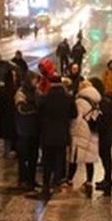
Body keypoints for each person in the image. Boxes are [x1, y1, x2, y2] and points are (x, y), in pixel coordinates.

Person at [37, 59, 77, 197]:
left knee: (47, 159)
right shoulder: (68, 98)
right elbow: (74, 114)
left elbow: (39, 113)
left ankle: (46, 184)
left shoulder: (44, 98)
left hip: (47, 134)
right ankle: (57, 181)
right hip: (62, 134)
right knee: (60, 158)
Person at [67, 81, 101, 195]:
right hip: (92, 130)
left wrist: (72, 131)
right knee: (89, 158)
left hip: (81, 130)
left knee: (75, 156)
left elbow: (76, 118)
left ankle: (69, 180)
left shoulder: (80, 101)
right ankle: (89, 181)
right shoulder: (95, 101)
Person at [91, 77, 112, 194]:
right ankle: (107, 179)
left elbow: (103, 119)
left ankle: (108, 180)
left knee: (106, 157)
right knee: (106, 157)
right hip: (108, 134)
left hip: (105, 135)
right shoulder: (106, 100)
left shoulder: (103, 102)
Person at [15, 71, 40, 190]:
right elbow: (21, 108)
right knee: (23, 157)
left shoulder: (36, 92)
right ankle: (22, 179)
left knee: (33, 156)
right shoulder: (21, 92)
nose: (36, 82)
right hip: (24, 129)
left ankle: (31, 179)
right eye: (34, 79)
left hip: (34, 129)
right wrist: (35, 109)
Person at [0, 69, 18, 158]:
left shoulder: (2, 88)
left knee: (6, 135)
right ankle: (9, 151)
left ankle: (6, 151)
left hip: (4, 114)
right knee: (11, 133)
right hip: (12, 114)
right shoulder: (15, 89)